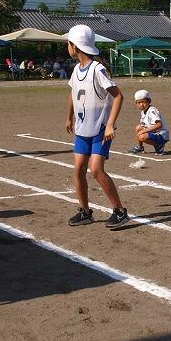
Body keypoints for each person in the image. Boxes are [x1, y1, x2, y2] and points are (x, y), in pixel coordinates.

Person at [64, 24, 129, 229]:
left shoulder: (97, 69)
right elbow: (73, 94)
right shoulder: (77, 69)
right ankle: (85, 212)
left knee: (96, 170)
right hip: (82, 129)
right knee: (78, 170)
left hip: (100, 128)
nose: (68, 47)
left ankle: (120, 212)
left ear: (75, 46)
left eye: (68, 43)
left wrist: (110, 124)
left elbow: (118, 96)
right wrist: (69, 117)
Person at [129, 89, 169, 155]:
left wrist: (143, 131)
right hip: (155, 132)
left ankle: (159, 146)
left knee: (142, 136)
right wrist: (142, 130)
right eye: (139, 102)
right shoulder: (143, 112)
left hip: (161, 134)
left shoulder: (152, 111)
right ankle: (140, 147)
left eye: (143, 102)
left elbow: (159, 125)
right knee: (138, 127)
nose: (141, 105)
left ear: (149, 101)